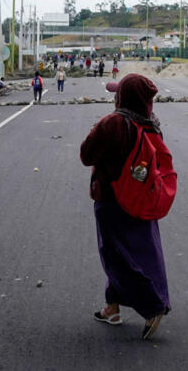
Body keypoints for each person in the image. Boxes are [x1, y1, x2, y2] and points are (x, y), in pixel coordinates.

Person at [80, 73, 170, 340]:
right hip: (142, 197)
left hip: (111, 197)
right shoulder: (152, 123)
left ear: (123, 97)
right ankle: (112, 307)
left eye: (117, 93)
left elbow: (86, 155)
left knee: (116, 256)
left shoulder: (113, 122)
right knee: (140, 250)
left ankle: (152, 307)